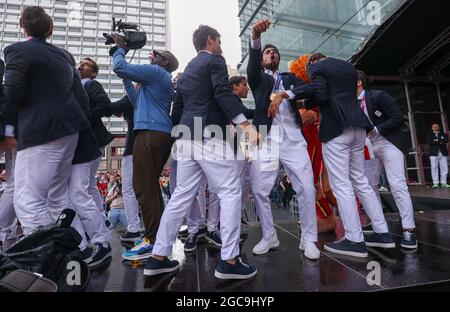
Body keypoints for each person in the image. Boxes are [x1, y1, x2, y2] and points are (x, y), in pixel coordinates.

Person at [145, 25, 260, 280]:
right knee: (231, 191)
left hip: (186, 137)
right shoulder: (215, 60)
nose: (220, 45)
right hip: (208, 134)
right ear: (210, 41)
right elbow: (221, 92)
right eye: (219, 40)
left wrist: (177, 136)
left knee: (180, 197)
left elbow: (178, 107)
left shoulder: (186, 72)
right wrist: (246, 124)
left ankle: (158, 258)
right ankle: (229, 261)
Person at [296, 52, 394, 258]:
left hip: (336, 129)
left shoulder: (315, 67)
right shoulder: (348, 67)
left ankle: (354, 239)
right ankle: (382, 233)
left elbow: (321, 95)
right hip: (358, 126)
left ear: (312, 62)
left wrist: (298, 96)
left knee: (342, 185)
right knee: (361, 182)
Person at [3, 6, 90, 234]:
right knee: (57, 197)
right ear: (49, 29)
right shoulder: (63, 55)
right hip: (69, 130)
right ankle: (76, 251)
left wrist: (10, 129)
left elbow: (13, 95)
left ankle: (49, 257)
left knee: (27, 201)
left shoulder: (17, 51)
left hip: (40, 132)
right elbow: (81, 97)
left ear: (22, 24)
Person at [247, 19, 320, 259]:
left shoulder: (289, 78)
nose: (272, 54)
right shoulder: (257, 78)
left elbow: (310, 90)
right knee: (259, 189)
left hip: (292, 139)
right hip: (268, 140)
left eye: (275, 52)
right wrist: (256, 38)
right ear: (262, 59)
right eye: (268, 52)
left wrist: (282, 94)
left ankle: (308, 239)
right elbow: (252, 63)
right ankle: (269, 236)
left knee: (306, 188)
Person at [112, 35, 179, 261]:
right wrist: (124, 63)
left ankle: (152, 240)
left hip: (150, 134)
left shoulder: (157, 73)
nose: (152, 57)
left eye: (156, 56)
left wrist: (121, 48)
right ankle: (156, 238)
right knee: (148, 186)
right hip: (154, 133)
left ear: (164, 62)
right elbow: (134, 98)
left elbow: (119, 67)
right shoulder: (157, 79)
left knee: (143, 187)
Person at [357, 70, 417, 249]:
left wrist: (375, 130)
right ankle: (379, 226)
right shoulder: (350, 103)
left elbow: (397, 117)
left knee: (398, 185)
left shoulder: (378, 95)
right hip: (368, 146)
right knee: (368, 186)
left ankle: (409, 230)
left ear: (358, 82)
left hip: (389, 142)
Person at [77, 58, 114, 217]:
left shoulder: (90, 84)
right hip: (86, 139)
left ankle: (95, 219)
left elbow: (105, 106)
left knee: (83, 183)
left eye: (84, 64)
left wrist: (85, 120)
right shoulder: (78, 85)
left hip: (92, 139)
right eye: (79, 63)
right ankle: (99, 217)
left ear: (93, 73)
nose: (79, 66)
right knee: (88, 182)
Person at [108, 95, 142, 242]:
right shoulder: (155, 92)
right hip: (153, 144)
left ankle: (134, 228)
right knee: (149, 189)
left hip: (133, 147)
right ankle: (155, 230)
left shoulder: (132, 96)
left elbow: (110, 108)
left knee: (128, 189)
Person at [427, 123, 449, 188]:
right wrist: (440, 141)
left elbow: (446, 140)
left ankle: (444, 183)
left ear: (439, 127)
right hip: (433, 153)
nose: (435, 127)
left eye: (436, 126)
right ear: (432, 128)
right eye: (434, 126)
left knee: (444, 168)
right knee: (434, 168)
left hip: (443, 153)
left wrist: (436, 140)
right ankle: (435, 183)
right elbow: (430, 142)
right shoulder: (430, 135)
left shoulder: (443, 134)